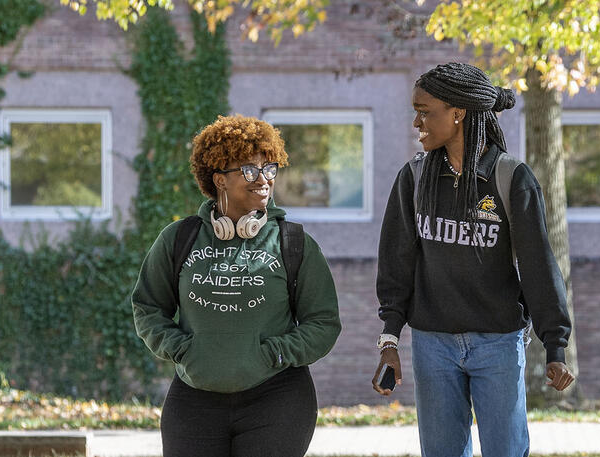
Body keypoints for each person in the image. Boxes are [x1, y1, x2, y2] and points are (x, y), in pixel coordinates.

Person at [373, 62, 576, 457]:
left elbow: (538, 265)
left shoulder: (511, 178)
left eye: (425, 110)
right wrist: (389, 339)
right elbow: (396, 266)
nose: (417, 121)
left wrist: (555, 345)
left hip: (497, 344)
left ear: (458, 112)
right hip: (433, 345)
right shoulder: (413, 178)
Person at [130, 114, 341, 457]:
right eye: (249, 170)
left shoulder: (293, 242)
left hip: (277, 400)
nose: (263, 179)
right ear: (219, 180)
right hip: (193, 401)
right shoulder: (179, 239)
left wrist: (275, 353)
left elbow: (323, 323)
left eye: (269, 168)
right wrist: (182, 350)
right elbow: (148, 307)